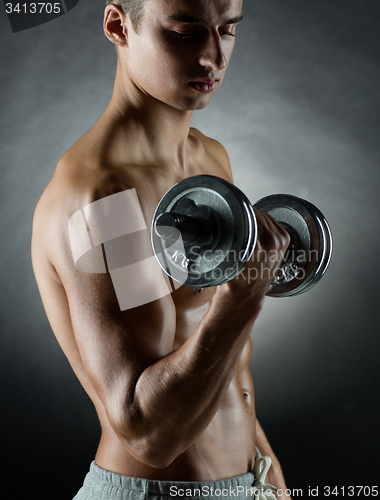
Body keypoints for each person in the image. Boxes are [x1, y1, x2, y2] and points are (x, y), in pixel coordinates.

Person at [31, 0, 292, 498]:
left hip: (243, 483)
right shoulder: (103, 200)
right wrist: (242, 297)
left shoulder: (209, 158)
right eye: (185, 32)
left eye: (228, 30)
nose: (214, 57)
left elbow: (219, 357)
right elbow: (149, 432)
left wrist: (260, 456)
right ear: (118, 25)